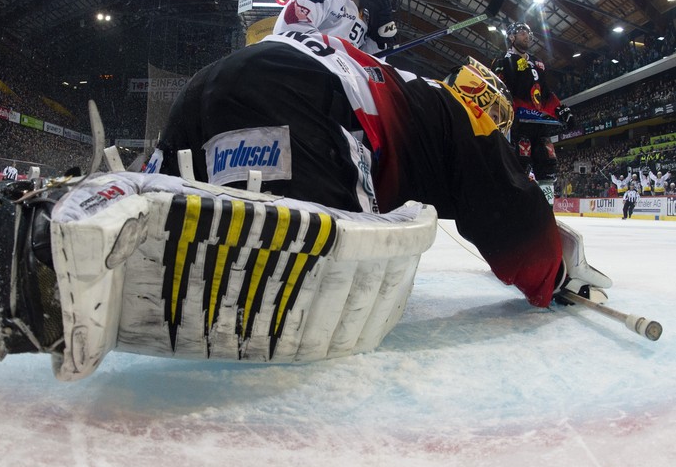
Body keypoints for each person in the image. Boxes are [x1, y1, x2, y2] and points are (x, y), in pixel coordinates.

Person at [148, 30, 609, 310]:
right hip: (297, 91)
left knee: (161, 199)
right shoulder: (466, 113)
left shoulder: (415, 91)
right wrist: (553, 274)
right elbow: (505, 211)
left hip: (209, 83)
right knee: (326, 278)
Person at [492, 22, 574, 204]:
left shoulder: (537, 62)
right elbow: (499, 91)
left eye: (528, 33)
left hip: (539, 124)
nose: (527, 36)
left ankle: (547, 210)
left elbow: (545, 92)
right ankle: (517, 208)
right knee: (519, 165)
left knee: (547, 164)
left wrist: (560, 110)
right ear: (512, 37)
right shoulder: (503, 61)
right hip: (518, 124)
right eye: (522, 33)